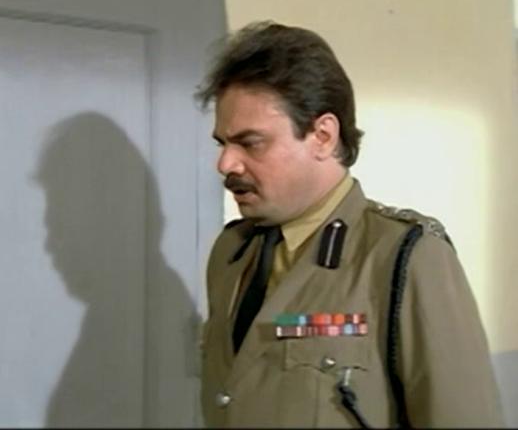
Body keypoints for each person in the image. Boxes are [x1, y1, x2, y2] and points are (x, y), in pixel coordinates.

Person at [196, 21, 504, 427]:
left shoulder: (407, 258)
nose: (226, 164)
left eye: (250, 143)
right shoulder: (232, 253)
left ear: (323, 136)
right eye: (223, 144)